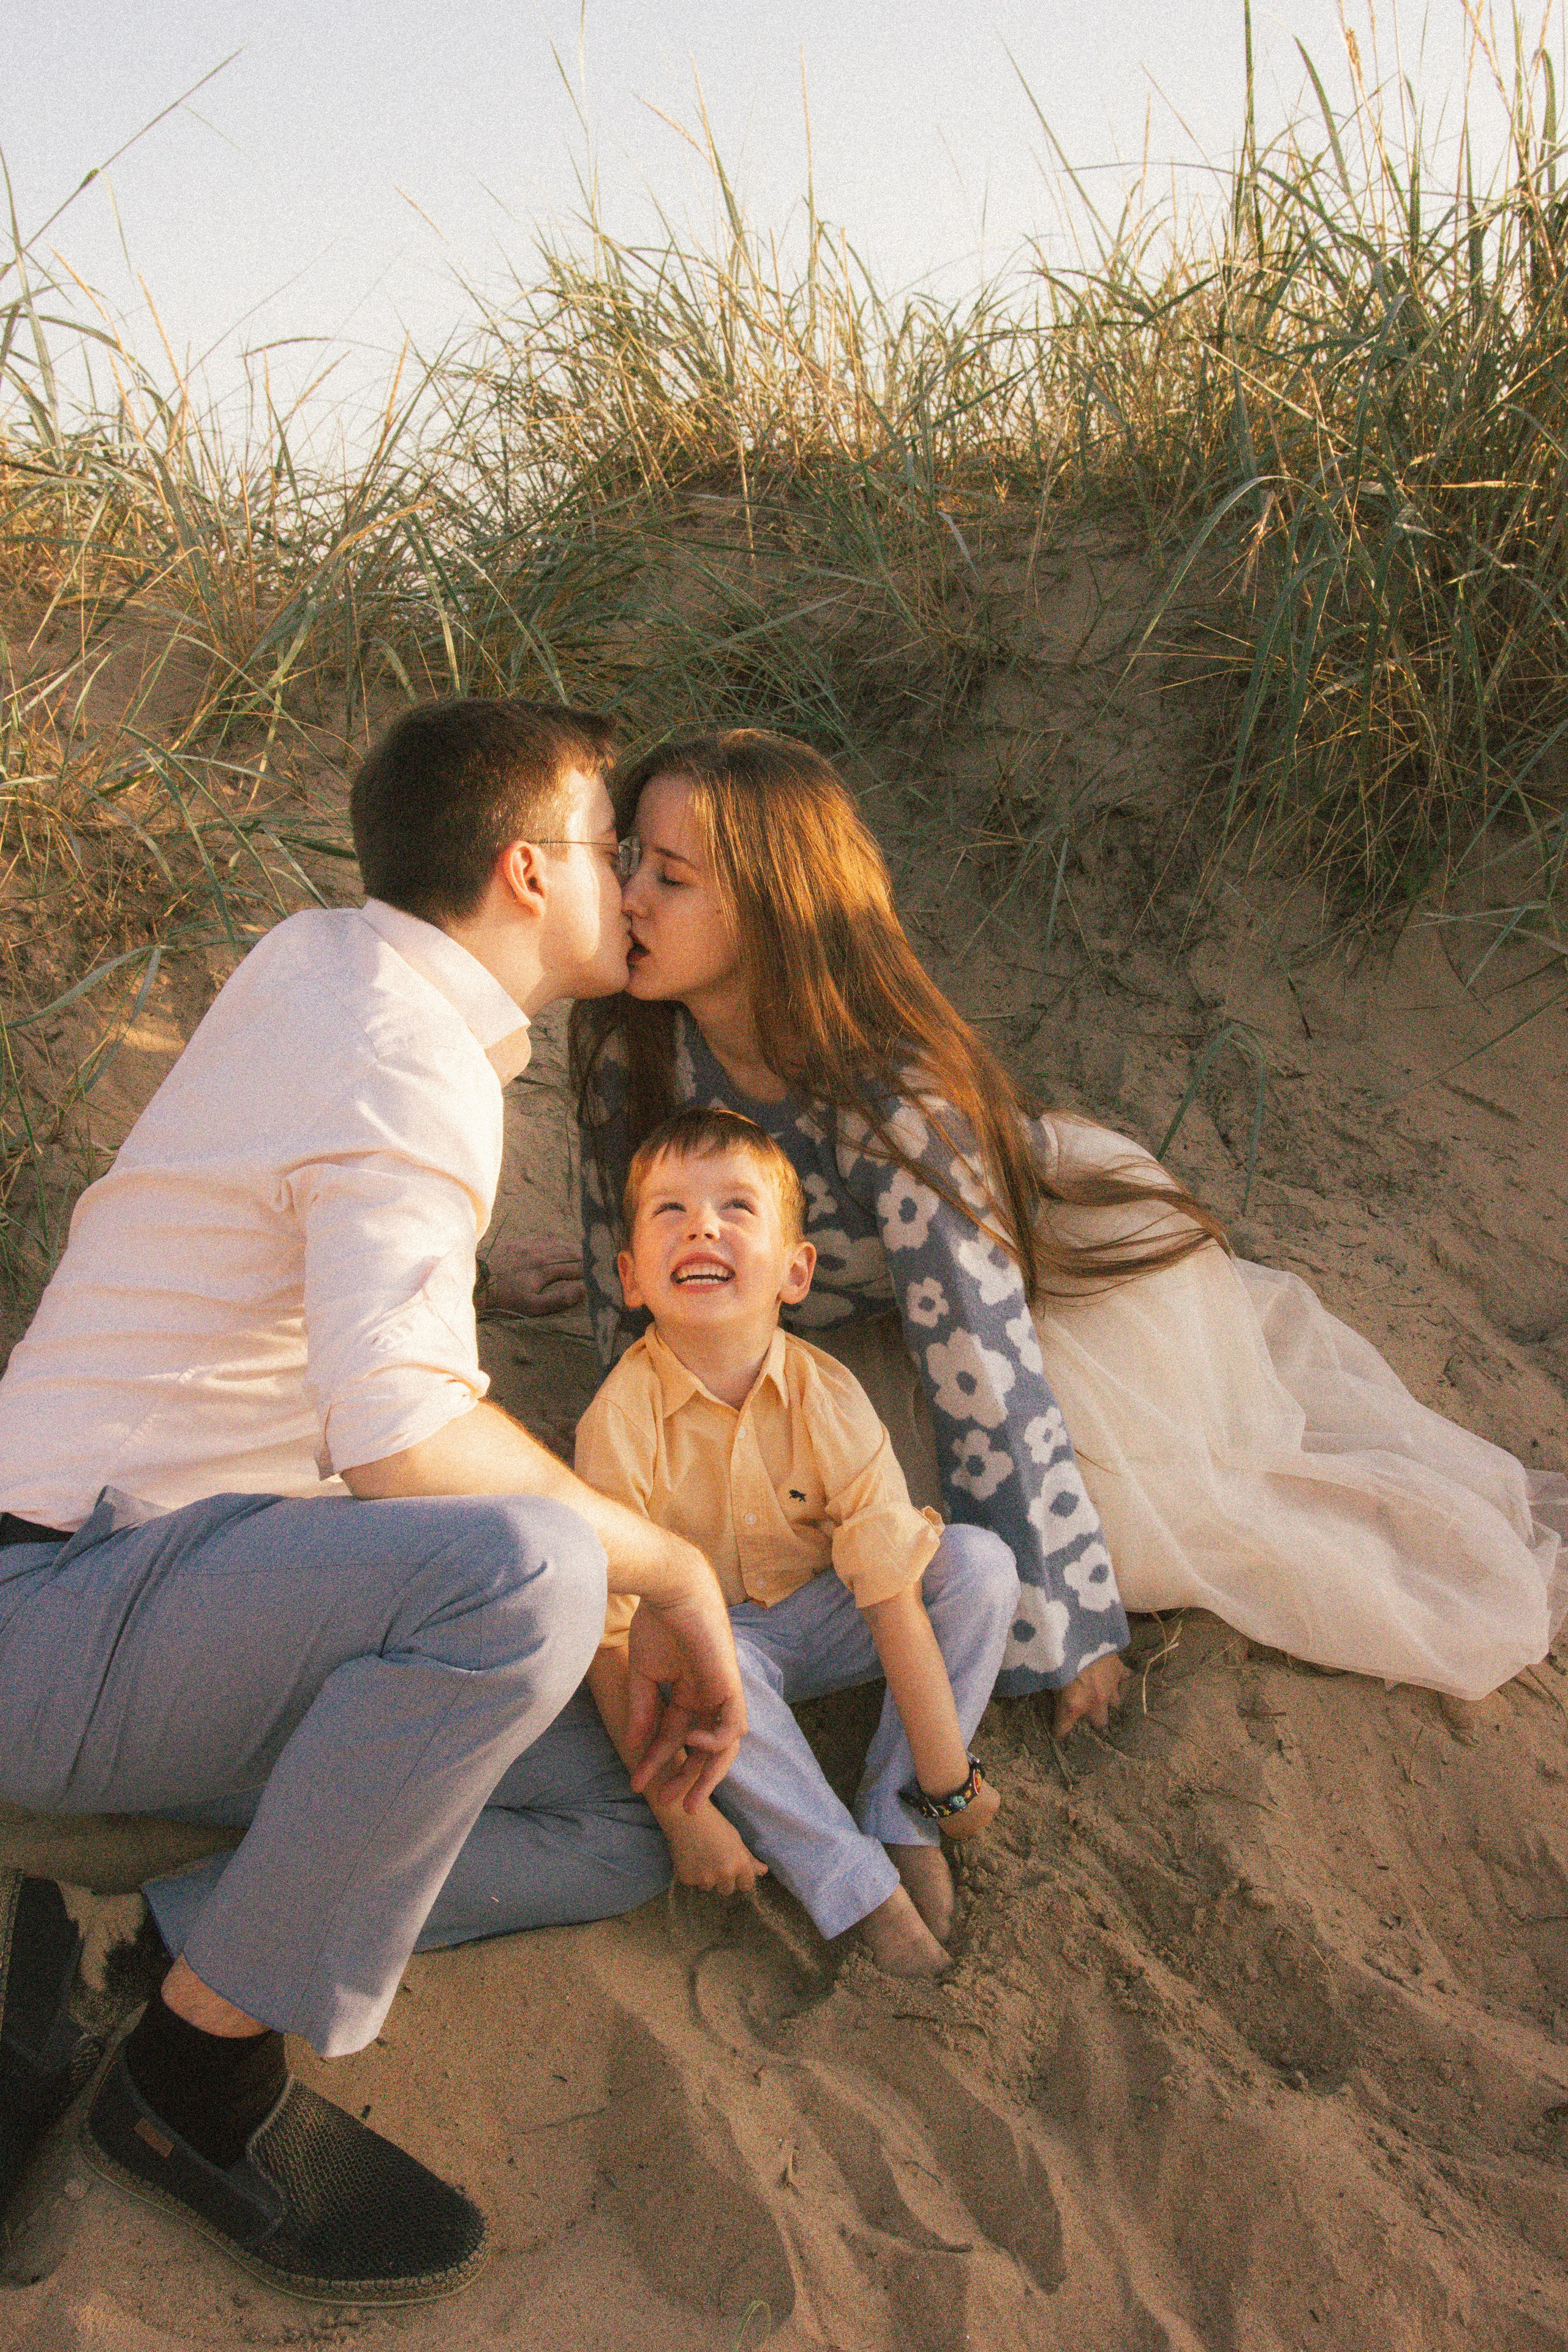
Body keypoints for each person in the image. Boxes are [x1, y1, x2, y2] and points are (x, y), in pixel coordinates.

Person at [0, 699, 745, 2305]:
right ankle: (191, 2082)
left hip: (156, 1596)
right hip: (57, 1611)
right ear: (525, 871)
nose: (629, 883)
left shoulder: (324, 961)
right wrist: (675, 1570)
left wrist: (462, 1286)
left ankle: (163, 1935)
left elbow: (299, 1230)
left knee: (614, 1814)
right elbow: (400, 1435)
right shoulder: (407, 1059)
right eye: (609, 848)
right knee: (529, 1575)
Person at [560, 728, 1568, 1730]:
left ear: (773, 910)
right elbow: (624, 1294)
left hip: (1031, 1283)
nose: (630, 896)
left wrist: (1062, 1628)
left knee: (1167, 1510)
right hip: (828, 1308)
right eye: (630, 859)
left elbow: (980, 1359)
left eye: (671, 878)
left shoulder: (894, 1104)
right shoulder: (626, 1038)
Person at [576, 1107, 1019, 1978]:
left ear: (795, 1270)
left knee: (979, 1565)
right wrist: (681, 1817)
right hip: (714, 1653)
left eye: (736, 1207)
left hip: (833, 1614)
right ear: (630, 1277)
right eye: (670, 1210)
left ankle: (900, 1813)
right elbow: (612, 1638)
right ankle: (859, 1887)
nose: (702, 1226)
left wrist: (949, 1783)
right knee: (716, 1670)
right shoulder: (621, 1420)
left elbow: (889, 1596)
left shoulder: (829, 1395)